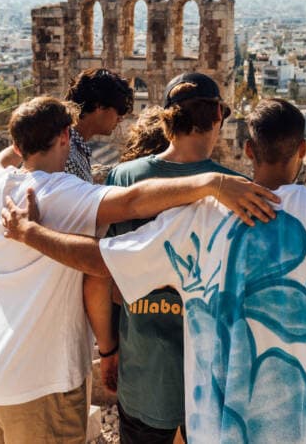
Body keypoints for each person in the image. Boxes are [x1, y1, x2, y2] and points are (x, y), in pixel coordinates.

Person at [0, 97, 306, 443]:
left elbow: (102, 261)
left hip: (215, 430)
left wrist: (29, 233)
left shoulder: (197, 218)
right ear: (304, 151)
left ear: (248, 152)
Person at [0, 96, 277, 444]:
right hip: (40, 381)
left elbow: (1, 159)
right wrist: (211, 184)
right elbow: (131, 202)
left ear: (18, 143)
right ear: (67, 136)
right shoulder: (61, 194)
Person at [85, 72, 241, 444]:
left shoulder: (123, 178)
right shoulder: (236, 190)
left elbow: (100, 277)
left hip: (144, 370)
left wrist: (108, 350)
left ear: (168, 120)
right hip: (211, 384)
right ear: (218, 116)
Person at [64, 68, 135, 181]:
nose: (120, 118)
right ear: (100, 106)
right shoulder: (67, 154)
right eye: (120, 110)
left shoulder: (72, 146)